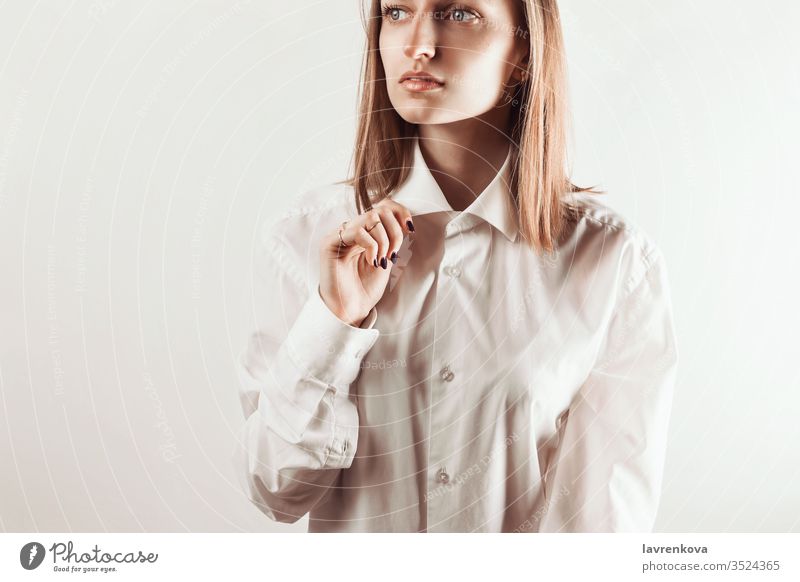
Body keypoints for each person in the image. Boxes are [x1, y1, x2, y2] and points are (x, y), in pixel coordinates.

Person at [234, 0, 678, 532]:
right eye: (397, 12)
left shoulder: (613, 262)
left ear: (524, 49)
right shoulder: (304, 238)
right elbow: (275, 490)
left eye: (458, 14)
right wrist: (334, 320)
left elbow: (603, 527)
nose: (418, 45)